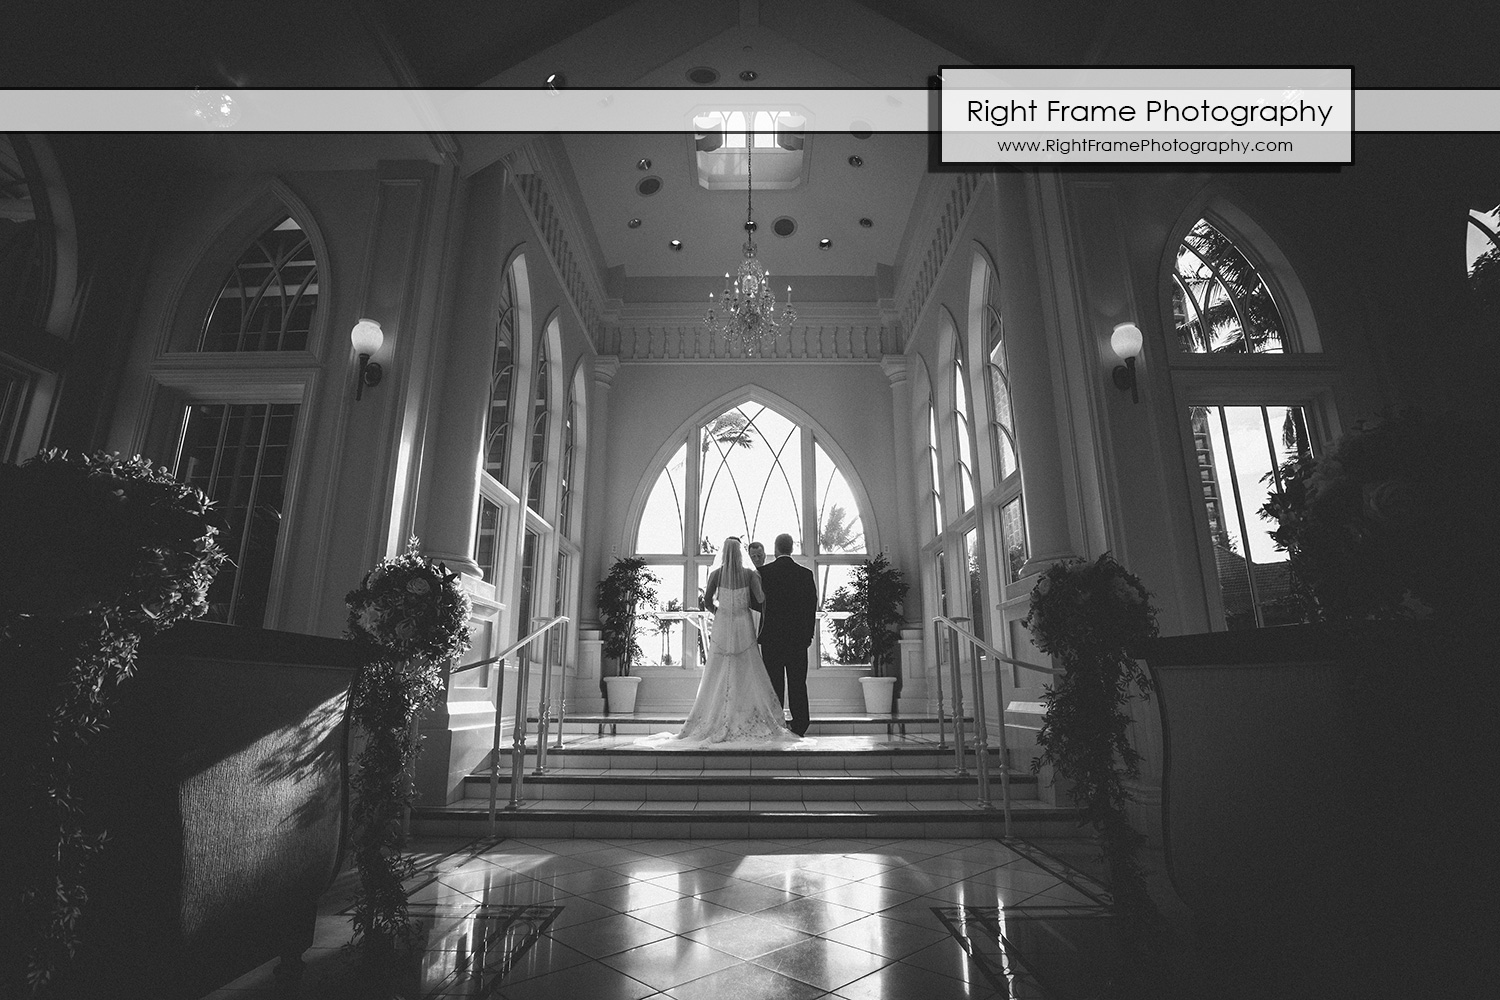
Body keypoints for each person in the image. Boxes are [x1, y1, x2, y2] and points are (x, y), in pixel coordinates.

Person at [670, 537, 798, 746]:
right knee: (748, 667)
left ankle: (717, 713)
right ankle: (749, 711)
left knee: (718, 668)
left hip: (723, 625)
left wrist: (721, 612)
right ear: (740, 554)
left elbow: (707, 601)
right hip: (743, 624)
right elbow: (761, 599)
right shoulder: (749, 574)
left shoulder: (716, 574)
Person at [757, 532, 818, 737]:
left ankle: (776, 724)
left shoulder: (764, 572)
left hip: (772, 638)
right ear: (791, 549)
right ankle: (800, 725)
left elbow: (756, 602)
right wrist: (808, 635)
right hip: (798, 639)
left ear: (775, 549)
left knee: (774, 683)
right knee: (797, 683)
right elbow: (811, 608)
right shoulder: (805, 574)